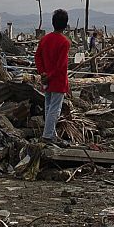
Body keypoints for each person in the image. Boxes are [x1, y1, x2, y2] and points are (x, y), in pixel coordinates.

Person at [34, 8, 71, 143]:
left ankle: (51, 134)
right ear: (65, 25)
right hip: (58, 80)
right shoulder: (64, 42)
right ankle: (48, 135)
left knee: (48, 107)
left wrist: (42, 72)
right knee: (55, 109)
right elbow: (61, 65)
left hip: (46, 79)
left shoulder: (45, 39)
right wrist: (49, 75)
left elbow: (37, 57)